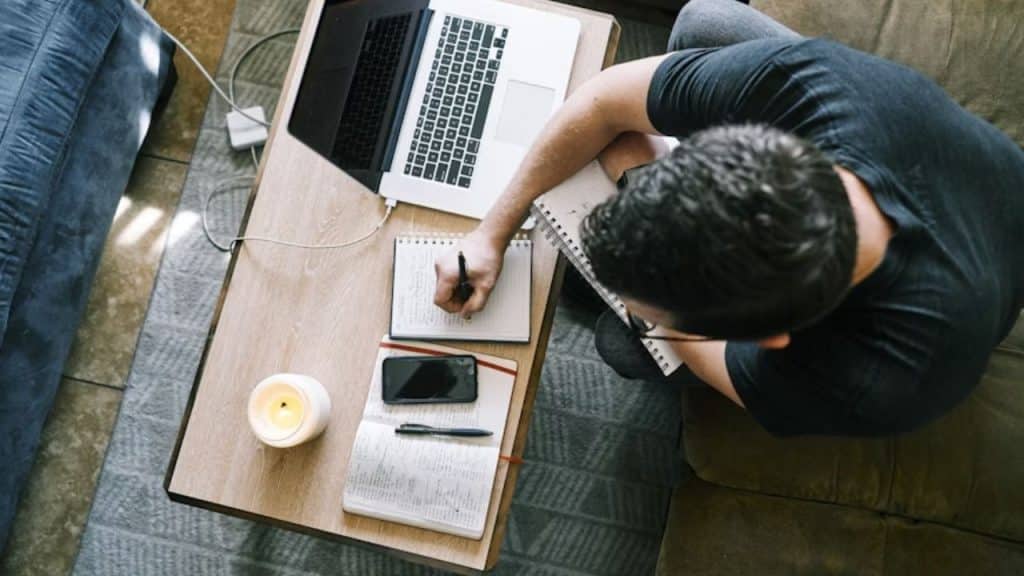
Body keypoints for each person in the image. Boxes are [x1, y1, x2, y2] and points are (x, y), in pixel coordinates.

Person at [432, 0, 1024, 436]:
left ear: (768, 339)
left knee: (621, 342)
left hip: (981, 296)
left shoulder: (871, 381)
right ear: (743, 143)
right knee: (704, 23)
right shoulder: (813, 87)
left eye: (664, 315)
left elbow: (725, 367)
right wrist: (492, 232)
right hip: (980, 187)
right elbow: (604, 100)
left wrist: (651, 324)